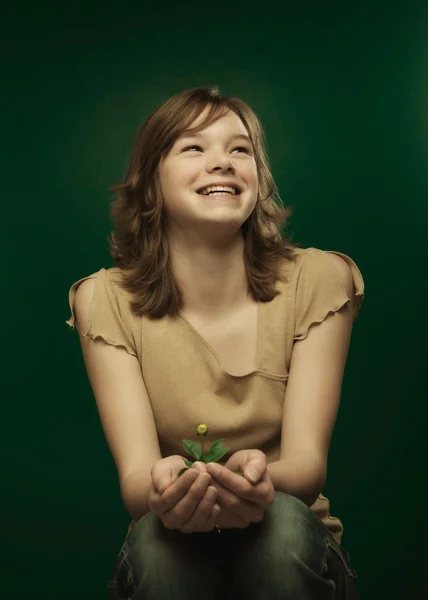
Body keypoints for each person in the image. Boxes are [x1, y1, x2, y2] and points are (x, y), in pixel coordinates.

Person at [66, 86, 364, 599]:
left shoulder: (319, 278)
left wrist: (258, 480)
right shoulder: (102, 299)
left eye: (240, 149)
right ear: (151, 183)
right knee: (159, 546)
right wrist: (165, 485)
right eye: (194, 147)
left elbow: (307, 467)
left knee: (285, 527)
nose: (222, 162)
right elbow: (137, 484)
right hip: (169, 543)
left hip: (298, 550)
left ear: (258, 178)